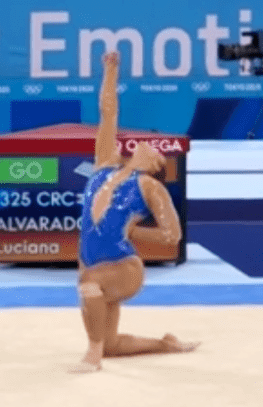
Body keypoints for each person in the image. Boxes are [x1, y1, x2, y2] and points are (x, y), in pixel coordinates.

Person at [70, 51, 199, 373]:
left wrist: (133, 231)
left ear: (155, 165)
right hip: (91, 260)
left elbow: (174, 235)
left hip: (122, 267)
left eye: (155, 149)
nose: (147, 143)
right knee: (112, 342)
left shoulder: (149, 187)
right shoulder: (104, 164)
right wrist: (111, 71)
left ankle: (92, 357)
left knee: (89, 284)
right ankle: (164, 344)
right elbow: (108, 112)